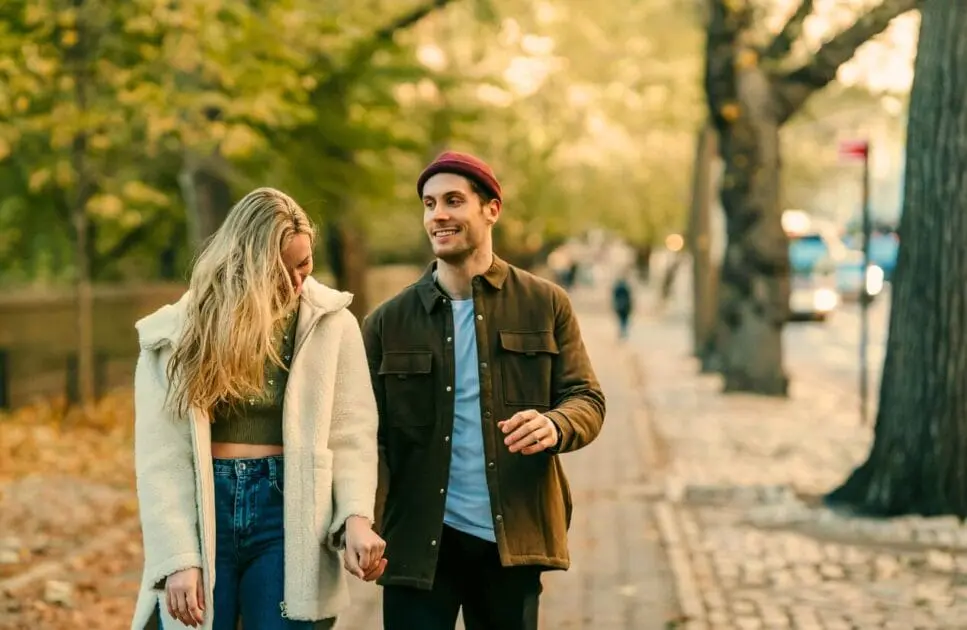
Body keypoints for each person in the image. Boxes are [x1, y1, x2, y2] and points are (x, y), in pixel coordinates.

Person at [362, 151, 606, 630]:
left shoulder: (545, 303)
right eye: (430, 204)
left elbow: (587, 399)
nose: (439, 215)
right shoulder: (386, 323)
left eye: (454, 200)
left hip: (510, 539)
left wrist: (554, 424)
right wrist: (359, 521)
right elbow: (367, 437)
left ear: (491, 208)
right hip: (417, 542)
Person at [130, 188, 386, 630]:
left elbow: (352, 433)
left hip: (288, 510)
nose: (295, 282)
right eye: (278, 271)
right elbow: (161, 460)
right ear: (243, 264)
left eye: (303, 264)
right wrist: (178, 557)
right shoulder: (176, 333)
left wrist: (356, 518)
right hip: (205, 507)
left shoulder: (331, 322)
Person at [611, 273, 634, 339]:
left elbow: (615, 296)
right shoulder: (626, 287)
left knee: (622, 320)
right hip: (625, 306)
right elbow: (629, 297)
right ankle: (623, 331)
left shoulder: (618, 287)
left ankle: (622, 331)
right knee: (624, 320)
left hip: (621, 305)